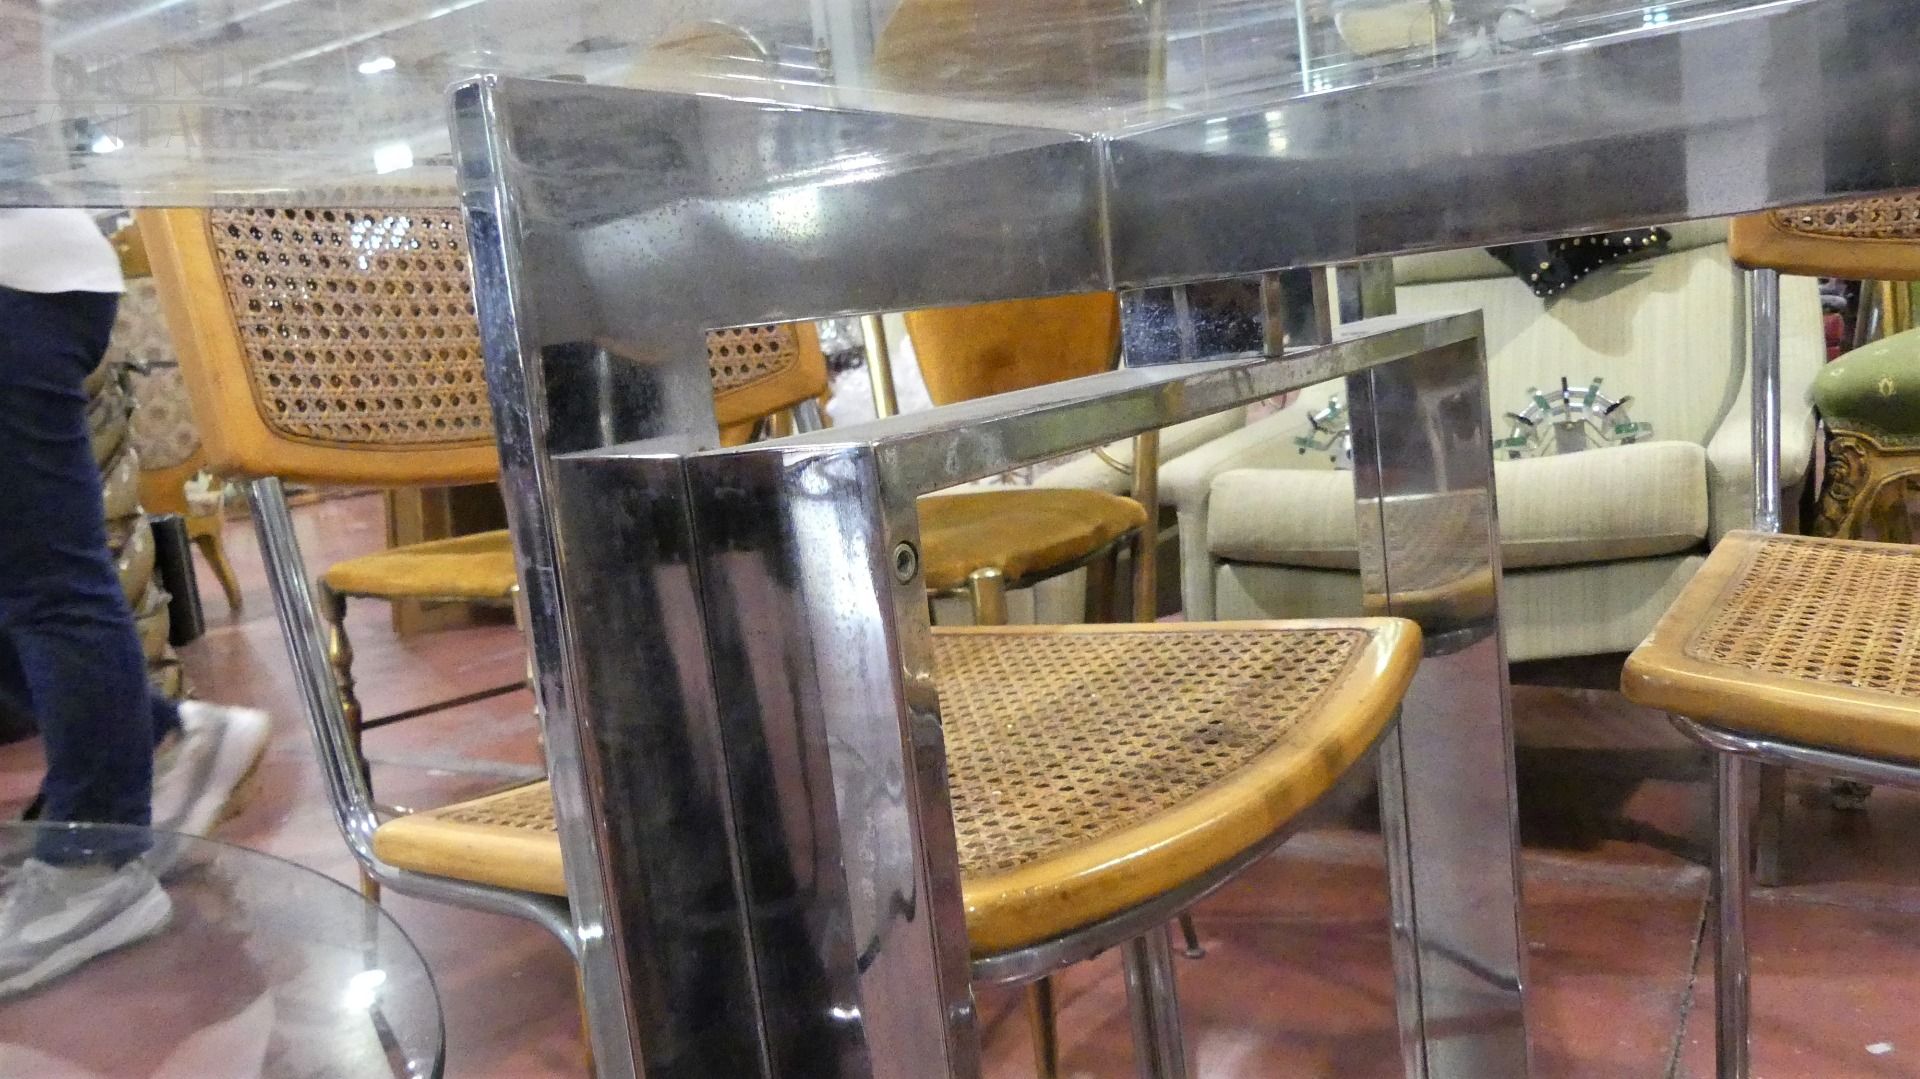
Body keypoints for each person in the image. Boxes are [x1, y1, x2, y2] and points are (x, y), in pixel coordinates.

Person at [0, 208, 269, 995]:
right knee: (33, 575)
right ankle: (152, 738)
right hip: (33, 267)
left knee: (47, 576)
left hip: (14, 271)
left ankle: (94, 869)